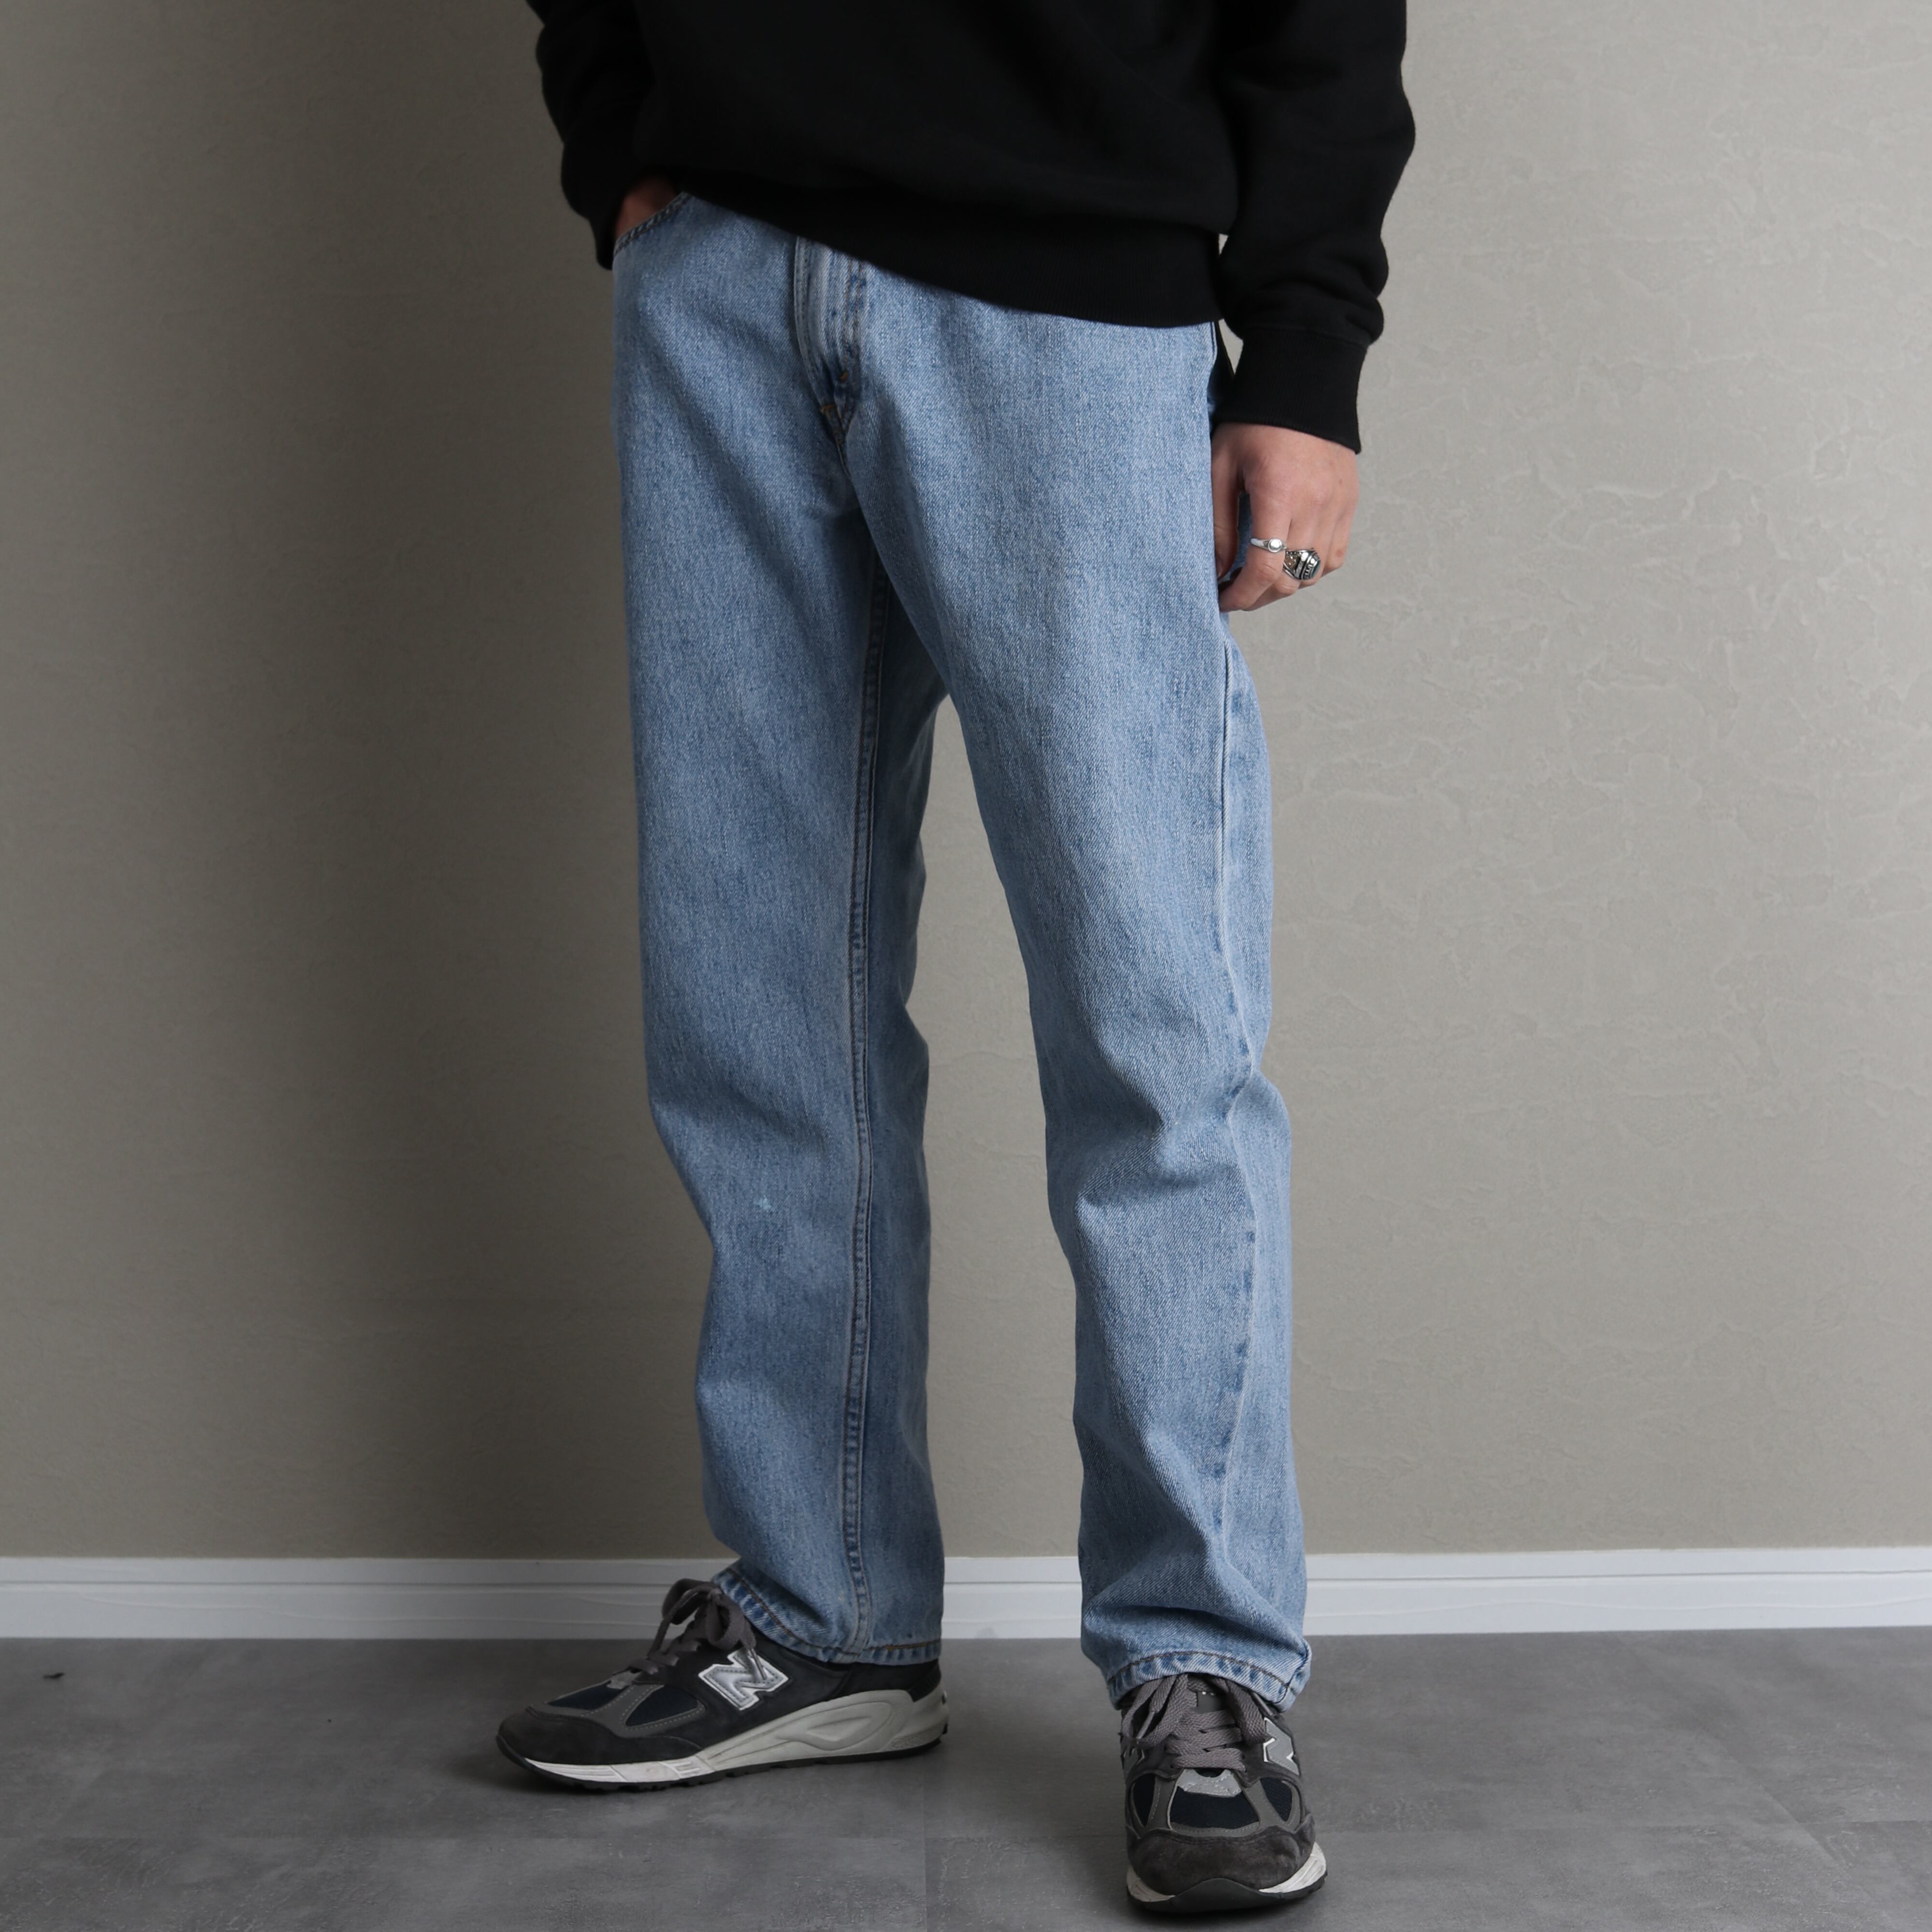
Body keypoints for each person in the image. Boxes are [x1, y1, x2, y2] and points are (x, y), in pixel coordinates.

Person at [497, 0, 1412, 1911]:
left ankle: (1206, 1662)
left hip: (1070, 303)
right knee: (755, 1009)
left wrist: (1306, 354)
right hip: (724, 268)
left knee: (1151, 1022)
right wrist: (621, 130)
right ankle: (820, 1616)